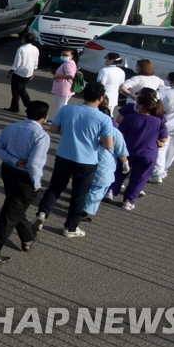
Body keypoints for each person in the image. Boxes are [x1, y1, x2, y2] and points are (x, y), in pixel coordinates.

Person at [32, 82, 115, 238]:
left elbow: (54, 129)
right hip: (87, 160)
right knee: (79, 194)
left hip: (64, 155)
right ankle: (70, 228)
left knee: (55, 187)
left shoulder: (67, 109)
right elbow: (109, 145)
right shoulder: (104, 119)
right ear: (101, 97)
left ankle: (42, 213)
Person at [0, 102, 50, 263]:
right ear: (43, 118)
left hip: (8, 171)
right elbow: (33, 164)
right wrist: (37, 183)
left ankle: (28, 237)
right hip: (26, 179)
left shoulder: (11, 127)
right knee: (9, 215)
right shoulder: (41, 136)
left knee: (15, 207)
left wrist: (14, 161)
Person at [109, 90, 167, 211]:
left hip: (128, 150)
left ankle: (111, 191)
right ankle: (129, 201)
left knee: (120, 171)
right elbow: (164, 139)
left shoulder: (130, 118)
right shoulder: (159, 121)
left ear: (140, 105)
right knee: (140, 177)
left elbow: (120, 134)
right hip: (149, 153)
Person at [84, 97, 130, 218]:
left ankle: (79, 205)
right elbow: (121, 151)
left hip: (85, 160)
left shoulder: (88, 127)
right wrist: (125, 163)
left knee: (84, 186)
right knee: (98, 190)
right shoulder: (114, 132)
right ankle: (85, 211)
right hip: (104, 164)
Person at [5, 33, 40, 113]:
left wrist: (10, 72)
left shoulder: (21, 49)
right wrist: (33, 71)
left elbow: (17, 63)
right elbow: (36, 62)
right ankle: (15, 106)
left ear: (24, 39)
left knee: (17, 91)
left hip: (19, 73)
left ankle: (27, 105)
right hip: (29, 72)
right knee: (20, 89)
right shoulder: (35, 49)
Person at [50, 48, 77, 117]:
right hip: (64, 88)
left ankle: (58, 122)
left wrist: (58, 76)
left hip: (64, 89)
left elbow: (71, 76)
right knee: (61, 106)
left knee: (61, 107)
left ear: (71, 56)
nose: (63, 56)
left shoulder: (68, 64)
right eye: (62, 54)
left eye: (66, 55)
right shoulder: (69, 63)